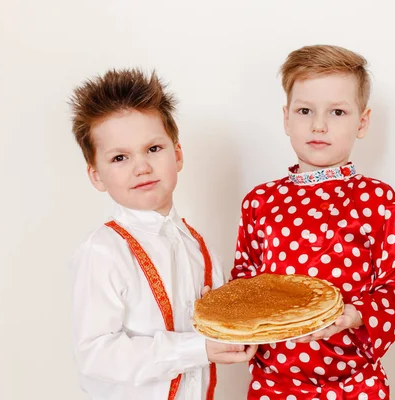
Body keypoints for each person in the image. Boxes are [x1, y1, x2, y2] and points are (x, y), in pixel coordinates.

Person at [231, 45, 395, 399]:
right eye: (305, 110)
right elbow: (246, 279)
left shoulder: (377, 200)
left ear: (362, 122)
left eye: (337, 111)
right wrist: (229, 312)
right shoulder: (260, 201)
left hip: (354, 383)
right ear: (286, 118)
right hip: (274, 381)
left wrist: (356, 315)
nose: (319, 125)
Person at [68, 68, 257, 400]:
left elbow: (225, 328)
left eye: (153, 149)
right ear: (96, 176)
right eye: (120, 157)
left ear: (178, 154)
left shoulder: (201, 249)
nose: (141, 166)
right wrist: (197, 348)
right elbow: (96, 356)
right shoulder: (103, 251)